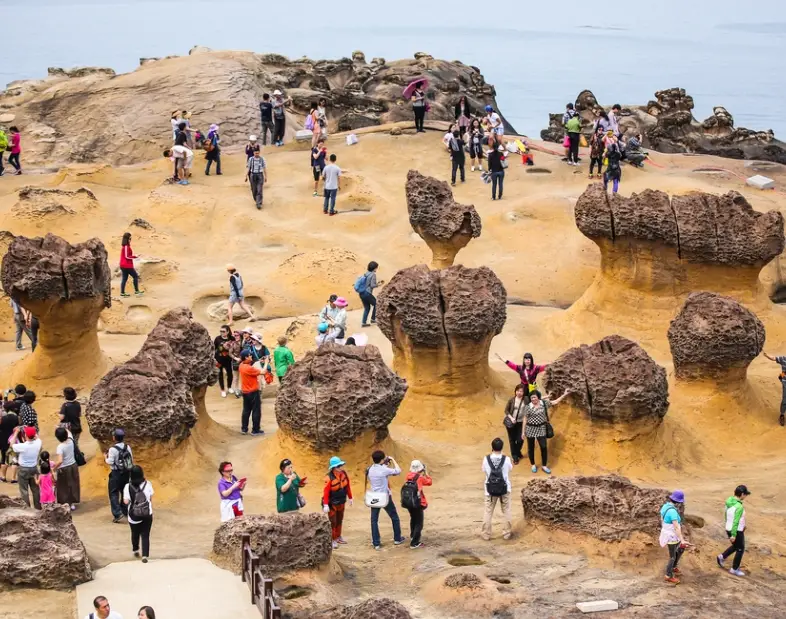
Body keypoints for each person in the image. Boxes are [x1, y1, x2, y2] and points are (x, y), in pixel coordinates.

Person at [523, 389, 570, 474]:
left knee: (543, 447)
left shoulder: (543, 403)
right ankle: (533, 464)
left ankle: (544, 466)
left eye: (534, 397)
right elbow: (525, 419)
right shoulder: (528, 407)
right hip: (530, 428)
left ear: (538, 397)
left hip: (541, 428)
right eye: (531, 398)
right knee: (531, 447)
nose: (533, 399)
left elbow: (555, 402)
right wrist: (523, 432)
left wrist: (564, 394)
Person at [366, 450, 406, 550]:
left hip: (374, 497)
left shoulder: (370, 469)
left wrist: (384, 464)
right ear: (382, 459)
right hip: (384, 497)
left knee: (374, 520)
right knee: (394, 517)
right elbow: (398, 471)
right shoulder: (384, 470)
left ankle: (376, 543)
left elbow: (379, 470)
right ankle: (397, 538)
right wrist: (392, 460)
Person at [481, 437, 514, 540]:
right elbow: (510, 469)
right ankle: (507, 533)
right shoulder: (507, 459)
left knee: (488, 511)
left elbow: (484, 470)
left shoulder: (486, 459)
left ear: (492, 447)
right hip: (505, 488)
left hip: (490, 489)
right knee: (506, 510)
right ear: (502, 447)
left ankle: (486, 534)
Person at [123, 465, 154, 563]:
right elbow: (150, 498)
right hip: (147, 513)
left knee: (135, 533)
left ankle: (135, 549)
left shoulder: (127, 486)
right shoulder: (148, 484)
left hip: (134, 514)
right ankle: (145, 555)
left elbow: (126, 502)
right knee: (145, 534)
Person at [718, 484, 751, 577]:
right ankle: (734, 569)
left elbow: (726, 515)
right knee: (740, 549)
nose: (745, 496)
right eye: (745, 494)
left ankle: (721, 557)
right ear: (742, 494)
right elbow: (736, 520)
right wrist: (734, 534)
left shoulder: (729, 501)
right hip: (736, 530)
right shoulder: (739, 506)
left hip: (729, 527)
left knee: (736, 546)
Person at [322, 456, 353, 549]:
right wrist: (325, 504)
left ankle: (338, 536)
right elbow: (326, 492)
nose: (341, 467)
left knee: (339, 520)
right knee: (333, 521)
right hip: (332, 503)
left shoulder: (343, 474)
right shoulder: (329, 477)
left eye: (341, 465)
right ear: (333, 467)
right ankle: (333, 539)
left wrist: (350, 497)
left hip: (341, 501)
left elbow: (347, 486)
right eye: (338, 466)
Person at [660, 490, 689, 584]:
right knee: (672, 556)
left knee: (680, 549)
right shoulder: (672, 511)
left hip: (669, 534)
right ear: (679, 502)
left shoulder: (665, 506)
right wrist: (682, 540)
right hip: (672, 536)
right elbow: (676, 527)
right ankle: (668, 575)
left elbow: (662, 519)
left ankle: (674, 567)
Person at [402, 460, 432, 549]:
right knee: (419, 522)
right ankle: (415, 543)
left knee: (413, 519)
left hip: (409, 501)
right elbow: (429, 482)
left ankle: (412, 536)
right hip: (417, 502)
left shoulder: (408, 476)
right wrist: (426, 473)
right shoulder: (420, 477)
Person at [106, 428, 133, 523]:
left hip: (116, 473)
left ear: (114, 438)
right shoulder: (127, 447)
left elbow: (110, 462)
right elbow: (131, 459)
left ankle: (117, 513)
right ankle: (125, 510)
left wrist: (105, 457)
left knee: (113, 493)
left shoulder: (112, 449)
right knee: (124, 491)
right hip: (126, 473)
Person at [12, 425, 41, 508]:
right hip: (34, 469)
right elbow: (37, 437)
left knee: (24, 491)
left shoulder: (22, 446)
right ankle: (38, 507)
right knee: (36, 490)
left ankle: (27, 509)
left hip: (23, 469)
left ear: (25, 435)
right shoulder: (38, 443)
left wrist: (16, 432)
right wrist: (34, 432)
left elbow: (12, 444)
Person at [52, 426, 80, 510]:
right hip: (73, 465)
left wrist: (54, 468)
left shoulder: (60, 447)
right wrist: (61, 428)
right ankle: (72, 503)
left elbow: (60, 461)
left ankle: (65, 503)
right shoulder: (71, 440)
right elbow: (69, 432)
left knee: (63, 487)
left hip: (64, 468)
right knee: (73, 485)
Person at [239, 350, 263, 435]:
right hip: (253, 392)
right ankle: (255, 430)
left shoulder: (241, 365)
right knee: (256, 411)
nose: (251, 356)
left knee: (246, 410)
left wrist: (260, 361)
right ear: (246, 357)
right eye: (249, 355)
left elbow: (250, 365)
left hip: (245, 392)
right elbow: (262, 372)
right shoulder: (249, 368)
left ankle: (244, 429)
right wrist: (266, 363)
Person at [503, 385, 527, 464]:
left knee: (520, 439)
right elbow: (506, 411)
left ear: (523, 392)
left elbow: (536, 399)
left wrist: (547, 396)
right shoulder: (511, 400)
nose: (519, 393)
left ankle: (517, 451)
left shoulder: (526, 399)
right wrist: (511, 418)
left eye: (521, 391)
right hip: (511, 422)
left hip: (521, 422)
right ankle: (515, 456)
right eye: (518, 391)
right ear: (515, 391)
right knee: (512, 440)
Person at [762, 352, 786, 426]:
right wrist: (766, 355)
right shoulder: (784, 359)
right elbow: (774, 358)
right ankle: (782, 415)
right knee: (785, 400)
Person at [357, 261, 382, 327]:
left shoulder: (366, 274)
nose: (377, 269)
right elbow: (372, 285)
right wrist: (378, 284)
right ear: (374, 268)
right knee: (377, 304)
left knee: (367, 307)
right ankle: (373, 319)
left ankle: (364, 323)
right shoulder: (373, 274)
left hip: (361, 293)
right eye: (376, 267)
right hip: (367, 293)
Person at [119, 232, 143, 297]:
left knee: (124, 279)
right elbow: (127, 256)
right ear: (128, 239)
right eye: (130, 238)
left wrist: (134, 256)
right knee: (135, 276)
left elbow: (127, 255)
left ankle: (122, 293)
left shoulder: (125, 246)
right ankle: (137, 291)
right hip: (127, 265)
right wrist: (135, 257)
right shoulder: (126, 247)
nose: (130, 239)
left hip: (123, 265)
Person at [214, 325, 235, 397]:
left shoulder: (231, 338)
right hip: (219, 360)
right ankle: (222, 390)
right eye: (220, 331)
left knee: (230, 374)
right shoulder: (217, 339)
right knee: (220, 375)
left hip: (228, 360)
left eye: (223, 331)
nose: (222, 333)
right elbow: (214, 348)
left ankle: (229, 387)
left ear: (228, 332)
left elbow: (235, 346)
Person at [245, 145, 267, 210]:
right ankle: (257, 200)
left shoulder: (262, 159)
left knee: (259, 189)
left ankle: (259, 203)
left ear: (259, 152)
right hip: (252, 175)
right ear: (253, 153)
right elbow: (248, 168)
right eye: (255, 153)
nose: (256, 154)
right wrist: (246, 175)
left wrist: (266, 176)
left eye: (257, 153)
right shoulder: (251, 159)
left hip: (260, 175)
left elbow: (264, 168)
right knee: (254, 190)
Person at [0, 409, 19, 482]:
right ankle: (13, 478)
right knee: (14, 460)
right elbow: (18, 428)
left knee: (4, 459)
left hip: (3, 442)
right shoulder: (16, 418)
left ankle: (3, 477)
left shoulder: (2, 419)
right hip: (13, 441)